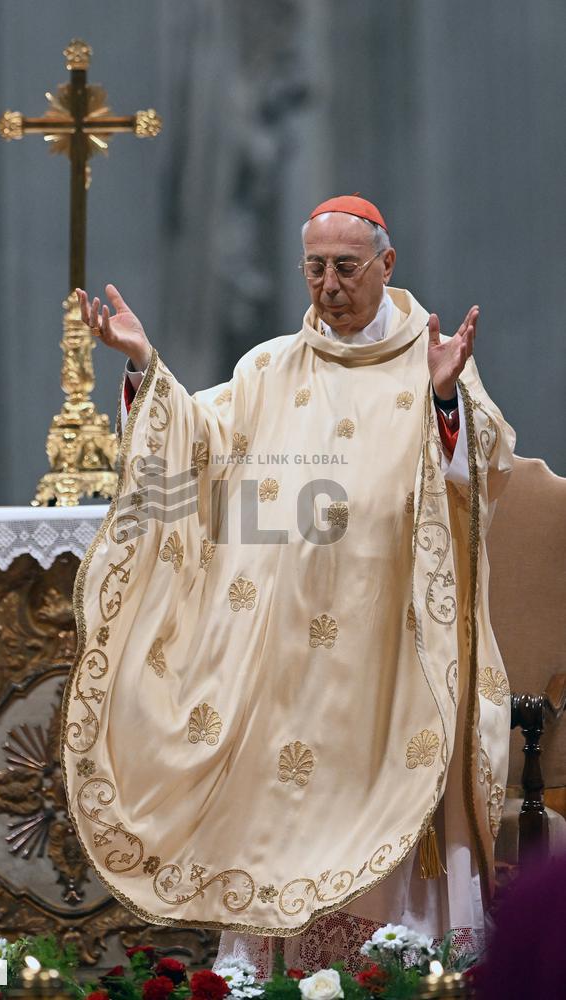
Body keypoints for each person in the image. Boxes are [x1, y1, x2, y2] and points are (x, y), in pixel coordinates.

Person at [62, 195, 515, 975]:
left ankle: (393, 972)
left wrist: (445, 399)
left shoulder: (433, 358)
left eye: (346, 266)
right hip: (277, 651)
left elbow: (484, 471)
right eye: (315, 267)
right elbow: (197, 447)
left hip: (389, 647)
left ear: (386, 265)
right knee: (284, 804)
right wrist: (145, 366)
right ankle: (281, 978)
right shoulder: (268, 366)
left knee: (386, 791)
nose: (329, 284)